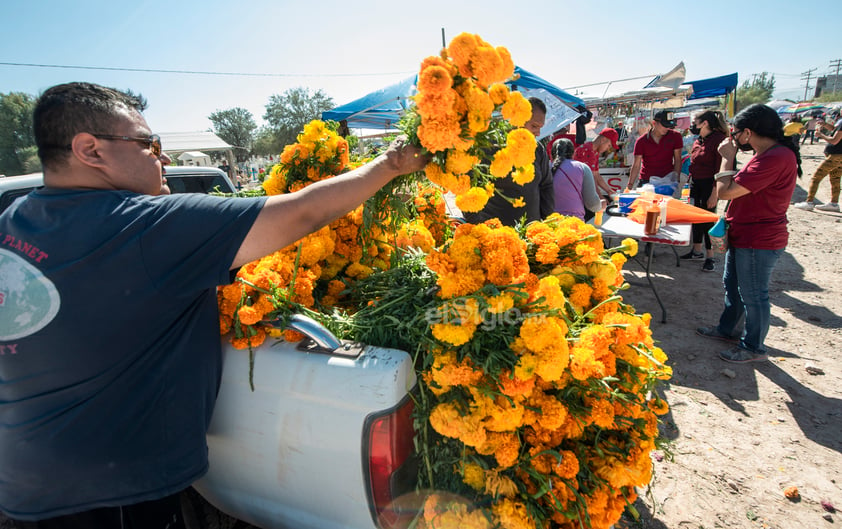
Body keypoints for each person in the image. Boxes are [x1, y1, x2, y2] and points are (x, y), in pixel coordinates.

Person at [0, 82, 426, 528]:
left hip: (26, 482)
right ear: (90, 149)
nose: (162, 158)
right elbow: (301, 213)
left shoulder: (16, 220)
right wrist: (391, 164)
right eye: (149, 144)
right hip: (112, 493)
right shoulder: (143, 228)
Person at [696, 104, 798, 364]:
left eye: (736, 134)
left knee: (753, 294)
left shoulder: (776, 158)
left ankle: (753, 347)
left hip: (759, 239)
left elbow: (726, 191)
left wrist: (726, 157)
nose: (734, 139)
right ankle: (728, 329)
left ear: (748, 133)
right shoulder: (766, 155)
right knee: (733, 286)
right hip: (745, 234)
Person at [463, 97, 554, 226]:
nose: (538, 133)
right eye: (534, 126)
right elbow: (469, 187)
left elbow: (547, 185)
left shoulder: (538, 149)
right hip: (497, 234)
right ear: (518, 120)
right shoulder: (490, 146)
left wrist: (547, 221)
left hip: (532, 233)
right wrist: (478, 225)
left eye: (540, 127)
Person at [681, 110, 729, 272]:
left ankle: (710, 256)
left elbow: (720, 169)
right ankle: (696, 250)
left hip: (710, 185)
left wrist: (715, 193)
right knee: (695, 218)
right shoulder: (699, 140)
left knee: (708, 219)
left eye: (695, 122)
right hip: (696, 183)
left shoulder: (718, 141)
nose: (692, 125)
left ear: (705, 123)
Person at [793, 110, 842, 212]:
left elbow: (834, 140)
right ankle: (834, 203)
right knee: (835, 180)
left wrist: (820, 135)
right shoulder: (840, 122)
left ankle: (809, 202)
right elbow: (834, 130)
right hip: (839, 156)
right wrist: (824, 125)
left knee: (816, 177)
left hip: (835, 156)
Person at [625, 110, 683, 191]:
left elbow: (677, 160)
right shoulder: (641, 141)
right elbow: (636, 165)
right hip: (647, 181)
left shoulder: (675, 136)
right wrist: (630, 186)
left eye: (669, 126)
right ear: (654, 123)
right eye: (664, 125)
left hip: (667, 181)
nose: (667, 128)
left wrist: (676, 180)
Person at [550, 138, 603, 221]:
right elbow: (592, 204)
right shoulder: (582, 168)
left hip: (548, 223)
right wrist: (601, 205)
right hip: (574, 223)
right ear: (573, 153)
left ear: (552, 154)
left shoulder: (544, 168)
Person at [572, 127, 618, 197]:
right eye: (609, 145)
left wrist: (609, 190)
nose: (608, 149)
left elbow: (596, 175)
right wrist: (600, 197)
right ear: (603, 140)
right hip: (577, 192)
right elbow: (590, 179)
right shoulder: (588, 150)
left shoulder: (595, 151)